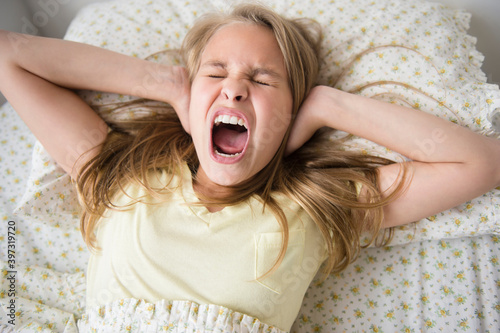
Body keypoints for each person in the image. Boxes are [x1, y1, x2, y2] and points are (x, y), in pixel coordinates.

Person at [1, 2, 499, 332]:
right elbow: (9, 54)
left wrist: (330, 105)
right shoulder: (122, 179)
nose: (235, 88)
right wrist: (170, 82)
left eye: (263, 81)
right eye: (215, 73)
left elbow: (482, 162)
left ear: (293, 114)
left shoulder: (314, 207)